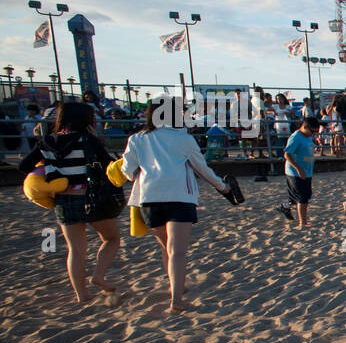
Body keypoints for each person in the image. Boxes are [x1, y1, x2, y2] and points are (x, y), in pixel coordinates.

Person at [120, 96, 233, 312]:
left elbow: (127, 171)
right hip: (180, 197)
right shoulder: (184, 140)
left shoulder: (137, 139)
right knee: (178, 251)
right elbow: (202, 169)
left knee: (167, 247)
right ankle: (177, 298)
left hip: (149, 197)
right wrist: (222, 187)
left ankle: (175, 286)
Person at [18, 101, 123, 303]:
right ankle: (98, 275)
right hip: (90, 198)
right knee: (111, 239)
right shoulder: (87, 140)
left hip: (63, 201)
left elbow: (24, 165)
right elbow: (109, 165)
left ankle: (81, 295)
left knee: (75, 249)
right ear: (86, 120)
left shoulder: (46, 142)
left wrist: (46, 170)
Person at [283, 115, 319, 227]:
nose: (313, 134)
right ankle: (303, 222)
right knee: (302, 198)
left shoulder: (307, 136)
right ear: (305, 127)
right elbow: (287, 154)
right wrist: (298, 169)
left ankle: (284, 207)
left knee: (303, 196)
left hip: (307, 171)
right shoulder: (295, 137)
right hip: (295, 172)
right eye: (312, 131)